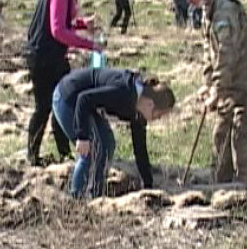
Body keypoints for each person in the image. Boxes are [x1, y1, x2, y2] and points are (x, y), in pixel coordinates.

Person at [173, 0, 247, 185]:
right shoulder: (207, 8)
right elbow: (211, 53)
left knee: (243, 139)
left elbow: (227, 54)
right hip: (231, 85)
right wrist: (208, 83)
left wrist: (217, 89)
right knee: (221, 135)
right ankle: (221, 187)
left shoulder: (225, 11)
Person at [24, 0, 101, 167]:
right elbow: (58, 30)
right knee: (45, 107)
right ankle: (32, 156)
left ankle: (64, 153)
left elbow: (64, 23)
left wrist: (84, 24)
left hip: (52, 55)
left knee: (62, 102)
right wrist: (89, 45)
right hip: (43, 57)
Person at [52, 68, 175, 199]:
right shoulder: (123, 92)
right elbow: (84, 99)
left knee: (107, 143)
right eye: (159, 115)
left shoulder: (139, 112)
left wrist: (148, 184)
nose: (157, 119)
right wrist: (82, 136)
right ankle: (76, 200)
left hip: (88, 106)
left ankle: (95, 195)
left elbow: (140, 149)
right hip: (67, 98)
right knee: (91, 151)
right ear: (150, 104)